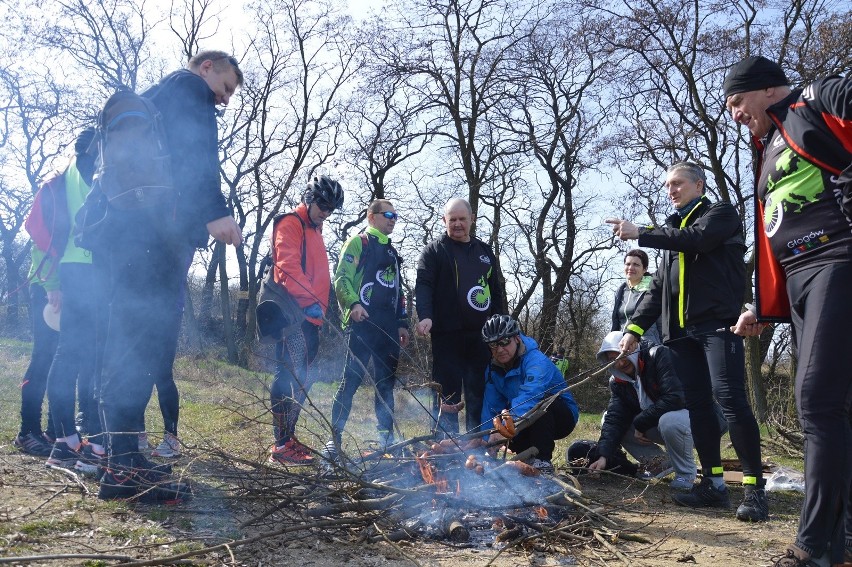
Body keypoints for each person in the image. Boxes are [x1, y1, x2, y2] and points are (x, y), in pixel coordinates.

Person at [97, 50, 244, 501]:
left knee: (130, 344)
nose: (222, 100)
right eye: (225, 88)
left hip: (126, 240)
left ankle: (124, 459)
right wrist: (216, 212)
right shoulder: (188, 91)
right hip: (154, 243)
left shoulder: (154, 97)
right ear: (207, 68)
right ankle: (123, 472)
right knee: (145, 346)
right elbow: (198, 156)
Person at [724, 56, 852, 567]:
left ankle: (813, 544)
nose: (734, 115)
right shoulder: (769, 145)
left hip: (838, 260)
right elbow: (776, 228)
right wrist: (763, 302)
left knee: (816, 403)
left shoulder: (816, 99)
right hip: (799, 283)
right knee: (837, 409)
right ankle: (843, 542)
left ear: (767, 90)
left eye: (736, 102)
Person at [606, 161, 768, 522]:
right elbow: (658, 287)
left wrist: (642, 232)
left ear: (698, 184)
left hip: (717, 327)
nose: (671, 190)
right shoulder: (672, 233)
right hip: (680, 336)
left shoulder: (720, 213)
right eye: (667, 185)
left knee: (730, 402)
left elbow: (699, 240)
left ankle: (755, 490)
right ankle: (713, 486)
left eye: (678, 183)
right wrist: (633, 330)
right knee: (698, 407)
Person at [324, 200, 409, 461]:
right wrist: (353, 304)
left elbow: (398, 290)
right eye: (388, 215)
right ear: (371, 217)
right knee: (350, 381)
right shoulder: (358, 242)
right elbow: (341, 278)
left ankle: (386, 441)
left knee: (386, 385)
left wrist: (403, 322)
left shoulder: (393, 252)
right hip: (361, 325)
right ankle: (334, 441)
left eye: (396, 216)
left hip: (388, 329)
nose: (393, 219)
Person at [42, 128, 106, 474]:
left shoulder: (61, 174)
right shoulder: (98, 169)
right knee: (94, 357)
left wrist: (52, 280)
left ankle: (65, 441)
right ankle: (95, 445)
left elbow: (45, 228)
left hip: (69, 269)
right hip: (93, 270)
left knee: (69, 354)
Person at [268, 175, 343, 465]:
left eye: (331, 207)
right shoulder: (291, 223)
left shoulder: (315, 229)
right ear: (310, 197)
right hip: (292, 315)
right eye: (323, 204)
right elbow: (286, 268)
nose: (326, 211)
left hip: (312, 319)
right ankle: (281, 445)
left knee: (304, 379)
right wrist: (310, 302)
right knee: (288, 377)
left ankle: (288, 437)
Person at [415, 198, 507, 435]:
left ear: (471, 219)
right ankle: (446, 446)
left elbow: (496, 291)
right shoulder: (434, 251)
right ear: (444, 220)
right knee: (448, 395)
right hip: (446, 336)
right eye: (452, 219)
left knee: (479, 393)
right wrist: (425, 315)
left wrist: (502, 327)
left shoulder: (485, 252)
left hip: (481, 338)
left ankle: (477, 446)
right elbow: (424, 284)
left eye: (462, 219)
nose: (457, 224)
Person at [591, 331, 727, 491]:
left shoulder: (659, 355)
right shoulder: (619, 382)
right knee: (610, 419)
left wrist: (640, 422)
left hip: (704, 422)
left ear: (631, 347)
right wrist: (603, 456)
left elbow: (675, 398)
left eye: (621, 355)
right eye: (613, 360)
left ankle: (686, 475)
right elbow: (615, 418)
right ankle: (659, 463)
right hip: (667, 423)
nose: (620, 363)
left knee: (669, 420)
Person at [480, 315, 578, 474]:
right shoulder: (492, 370)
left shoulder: (537, 361)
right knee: (503, 422)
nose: (499, 349)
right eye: (493, 344)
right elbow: (490, 407)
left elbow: (530, 396)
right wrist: (488, 442)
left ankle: (542, 462)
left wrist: (503, 429)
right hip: (521, 419)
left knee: (543, 402)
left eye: (504, 342)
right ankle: (526, 460)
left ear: (516, 338)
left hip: (560, 416)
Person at [611, 249, 661, 345]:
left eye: (636, 264)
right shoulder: (620, 291)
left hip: (646, 344)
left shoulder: (653, 289)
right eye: (628, 264)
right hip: (621, 343)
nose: (631, 267)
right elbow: (616, 322)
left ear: (645, 269)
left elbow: (661, 322)